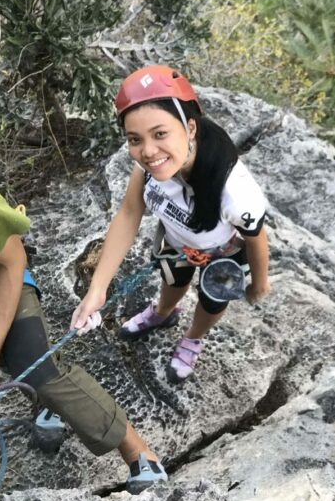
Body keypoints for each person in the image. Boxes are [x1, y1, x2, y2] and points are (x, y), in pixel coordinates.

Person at [0, 160, 166, 493]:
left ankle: (137, 452)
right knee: (9, 364)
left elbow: (10, 263)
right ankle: (50, 408)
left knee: (38, 368)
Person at [71, 65, 271, 382]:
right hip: (177, 243)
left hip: (224, 254)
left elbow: (257, 237)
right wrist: (98, 289)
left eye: (160, 133)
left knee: (212, 299)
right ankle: (163, 313)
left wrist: (259, 285)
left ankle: (193, 337)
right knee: (173, 280)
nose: (148, 151)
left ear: (190, 128)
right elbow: (128, 214)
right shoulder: (151, 165)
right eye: (135, 139)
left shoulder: (235, 193)